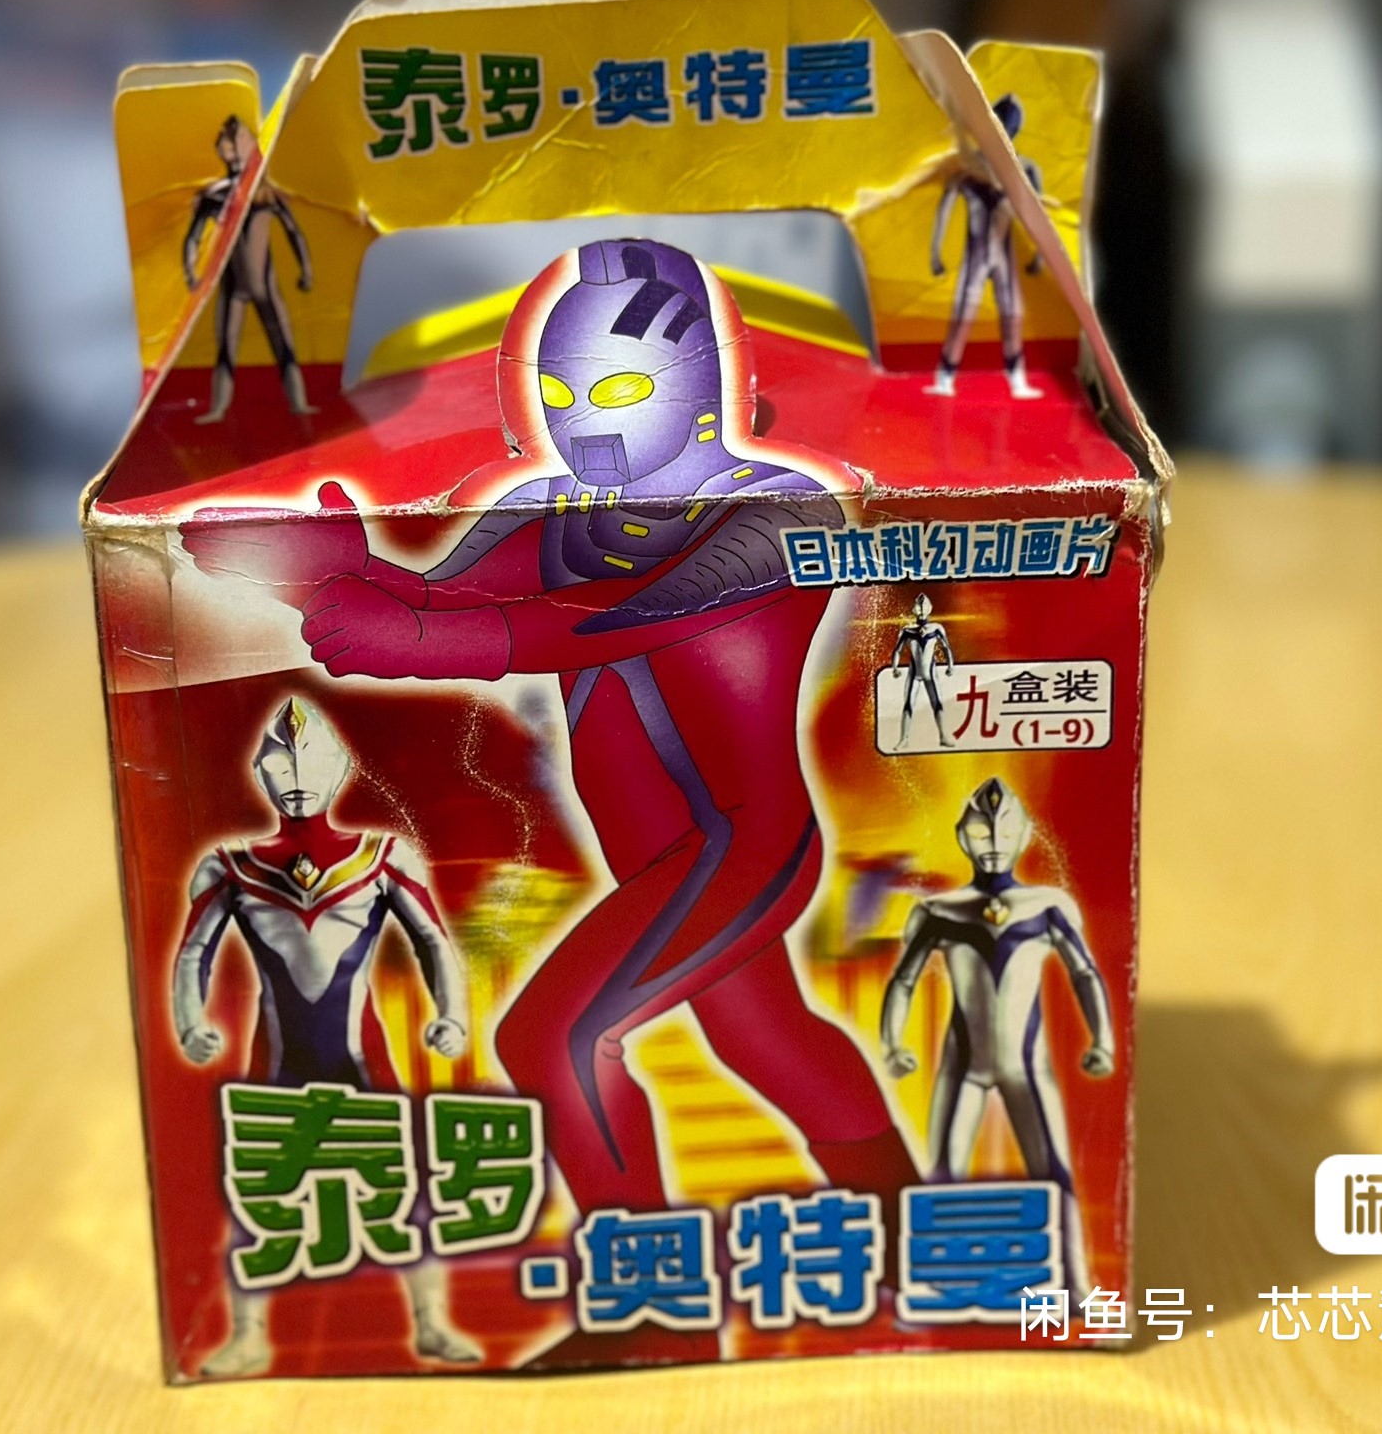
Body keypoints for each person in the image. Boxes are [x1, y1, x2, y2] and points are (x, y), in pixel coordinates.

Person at [181, 239, 921, 1367]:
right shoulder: (550, 510)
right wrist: (325, 569)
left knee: (557, 1038)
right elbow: (433, 597)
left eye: (618, 392)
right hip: (658, 858)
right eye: (564, 398)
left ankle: (657, 1316)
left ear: (702, 378)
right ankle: (917, 1238)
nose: (587, 427)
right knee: (766, 1038)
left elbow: (607, 621)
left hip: (741, 849)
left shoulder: (782, 514)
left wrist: (410, 630)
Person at [171, 697, 479, 1374]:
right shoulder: (230, 865)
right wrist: (190, 1021)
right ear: (261, 772)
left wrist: (452, 1015)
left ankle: (431, 1321)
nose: (297, 774)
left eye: (310, 759)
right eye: (281, 762)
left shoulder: (382, 856)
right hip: (278, 1056)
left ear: (339, 768)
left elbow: (433, 940)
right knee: (260, 1185)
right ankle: (248, 1334)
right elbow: (193, 953)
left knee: (401, 1181)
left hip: (359, 1053)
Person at [880, 777, 1115, 1299]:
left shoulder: (1046, 906)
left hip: (1026, 1067)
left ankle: (1074, 1283)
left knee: (1052, 1170)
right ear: (963, 836)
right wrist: (893, 1042)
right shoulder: (940, 911)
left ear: (1024, 835)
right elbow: (904, 980)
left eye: (1004, 831)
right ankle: (931, 1283)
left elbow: (1084, 973)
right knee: (943, 1174)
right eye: (982, 832)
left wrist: (1102, 1039)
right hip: (963, 1066)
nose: (992, 842)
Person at [182, 115, 315, 422]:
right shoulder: (216, 196)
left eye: (238, 137)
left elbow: (294, 233)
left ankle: (299, 403)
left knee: (283, 344)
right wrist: (190, 273)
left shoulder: (265, 193)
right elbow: (193, 237)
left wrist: (306, 269)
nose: (231, 143)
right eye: (229, 138)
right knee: (226, 347)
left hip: (265, 283)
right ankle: (219, 408)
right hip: (233, 285)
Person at [928, 94, 1044, 400]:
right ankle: (945, 377)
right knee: (965, 316)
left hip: (999, 254)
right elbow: (945, 206)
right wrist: (935, 252)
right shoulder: (970, 168)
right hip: (978, 255)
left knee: (1012, 315)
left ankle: (1016, 380)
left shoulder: (1024, 169)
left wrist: (1039, 255)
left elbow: (1041, 217)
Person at [888, 592, 955, 749]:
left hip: (930, 672)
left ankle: (943, 735)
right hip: (915, 673)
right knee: (908, 704)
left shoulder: (935, 628)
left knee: (937, 703)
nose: (922, 606)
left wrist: (950, 665)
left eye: (924, 604)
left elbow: (946, 647)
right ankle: (904, 739)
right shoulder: (907, 630)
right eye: (919, 604)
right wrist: (894, 667)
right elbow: (897, 650)